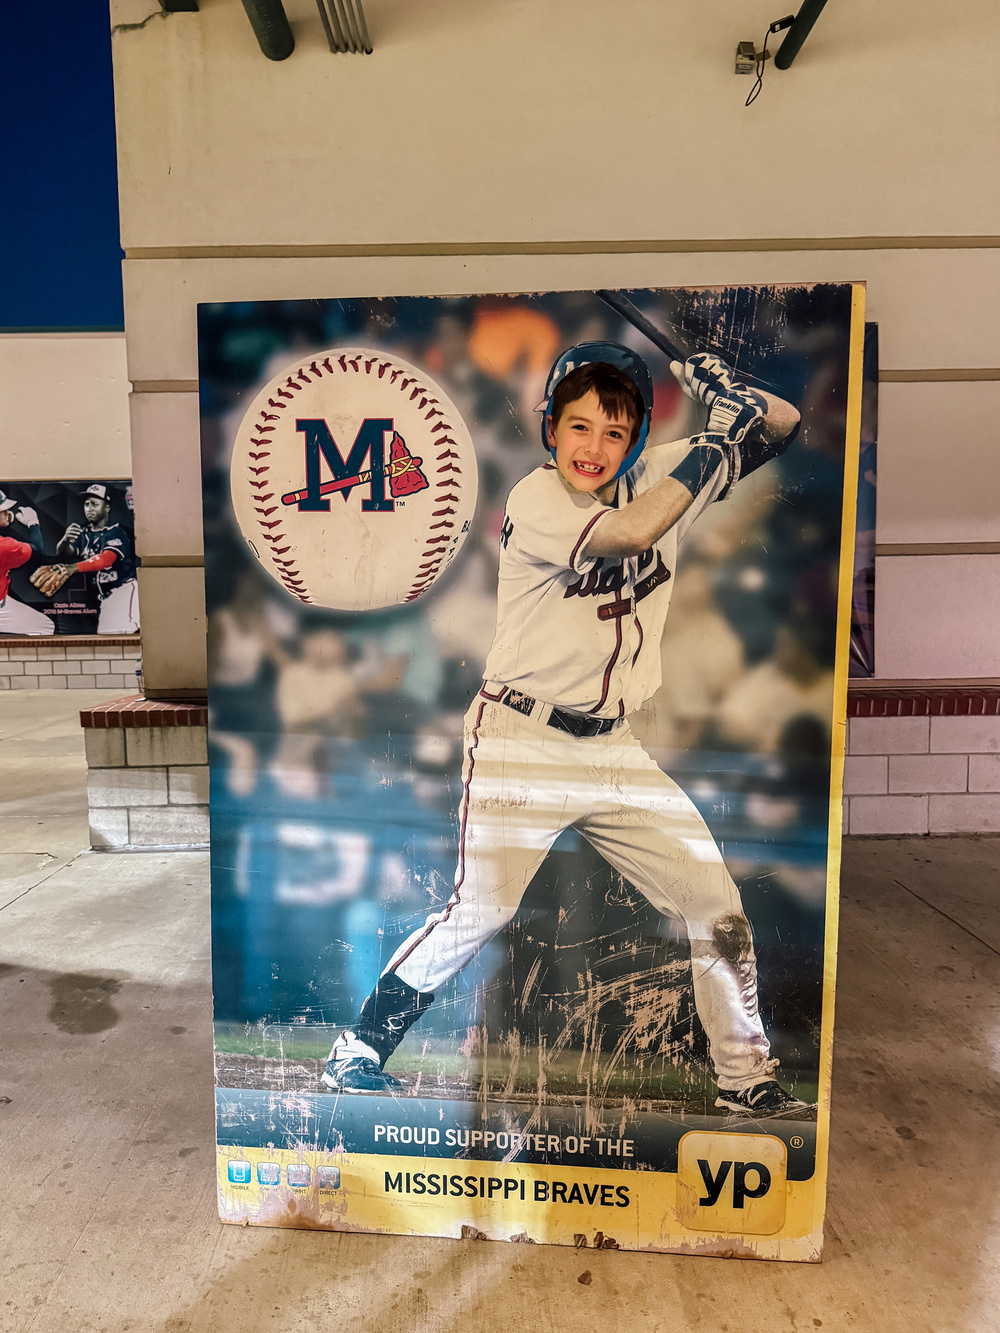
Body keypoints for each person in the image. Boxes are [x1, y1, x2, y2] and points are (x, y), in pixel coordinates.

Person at [324, 341, 806, 1116]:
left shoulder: (660, 477)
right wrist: (718, 439)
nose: (594, 447)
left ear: (638, 439)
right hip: (522, 739)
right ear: (551, 429)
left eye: (615, 431)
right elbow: (629, 535)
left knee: (715, 906)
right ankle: (359, 1048)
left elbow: (781, 424)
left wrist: (729, 386)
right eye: (578, 426)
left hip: (614, 748)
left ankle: (744, 1078)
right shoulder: (536, 499)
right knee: (480, 909)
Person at [53, 484, 139, 634]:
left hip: (124, 592)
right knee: (108, 639)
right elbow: (65, 555)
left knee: (120, 638)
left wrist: (72, 568)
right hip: (106, 598)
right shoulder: (84, 532)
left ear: (107, 507)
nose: (89, 508)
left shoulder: (116, 533)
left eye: (94, 504)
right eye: (86, 504)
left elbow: (106, 560)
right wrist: (65, 540)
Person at [0, 491, 54, 636]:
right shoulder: (5, 546)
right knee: (45, 627)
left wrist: (3, 519)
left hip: (4, 602)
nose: (7, 512)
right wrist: (33, 524)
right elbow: (37, 551)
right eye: (3, 510)